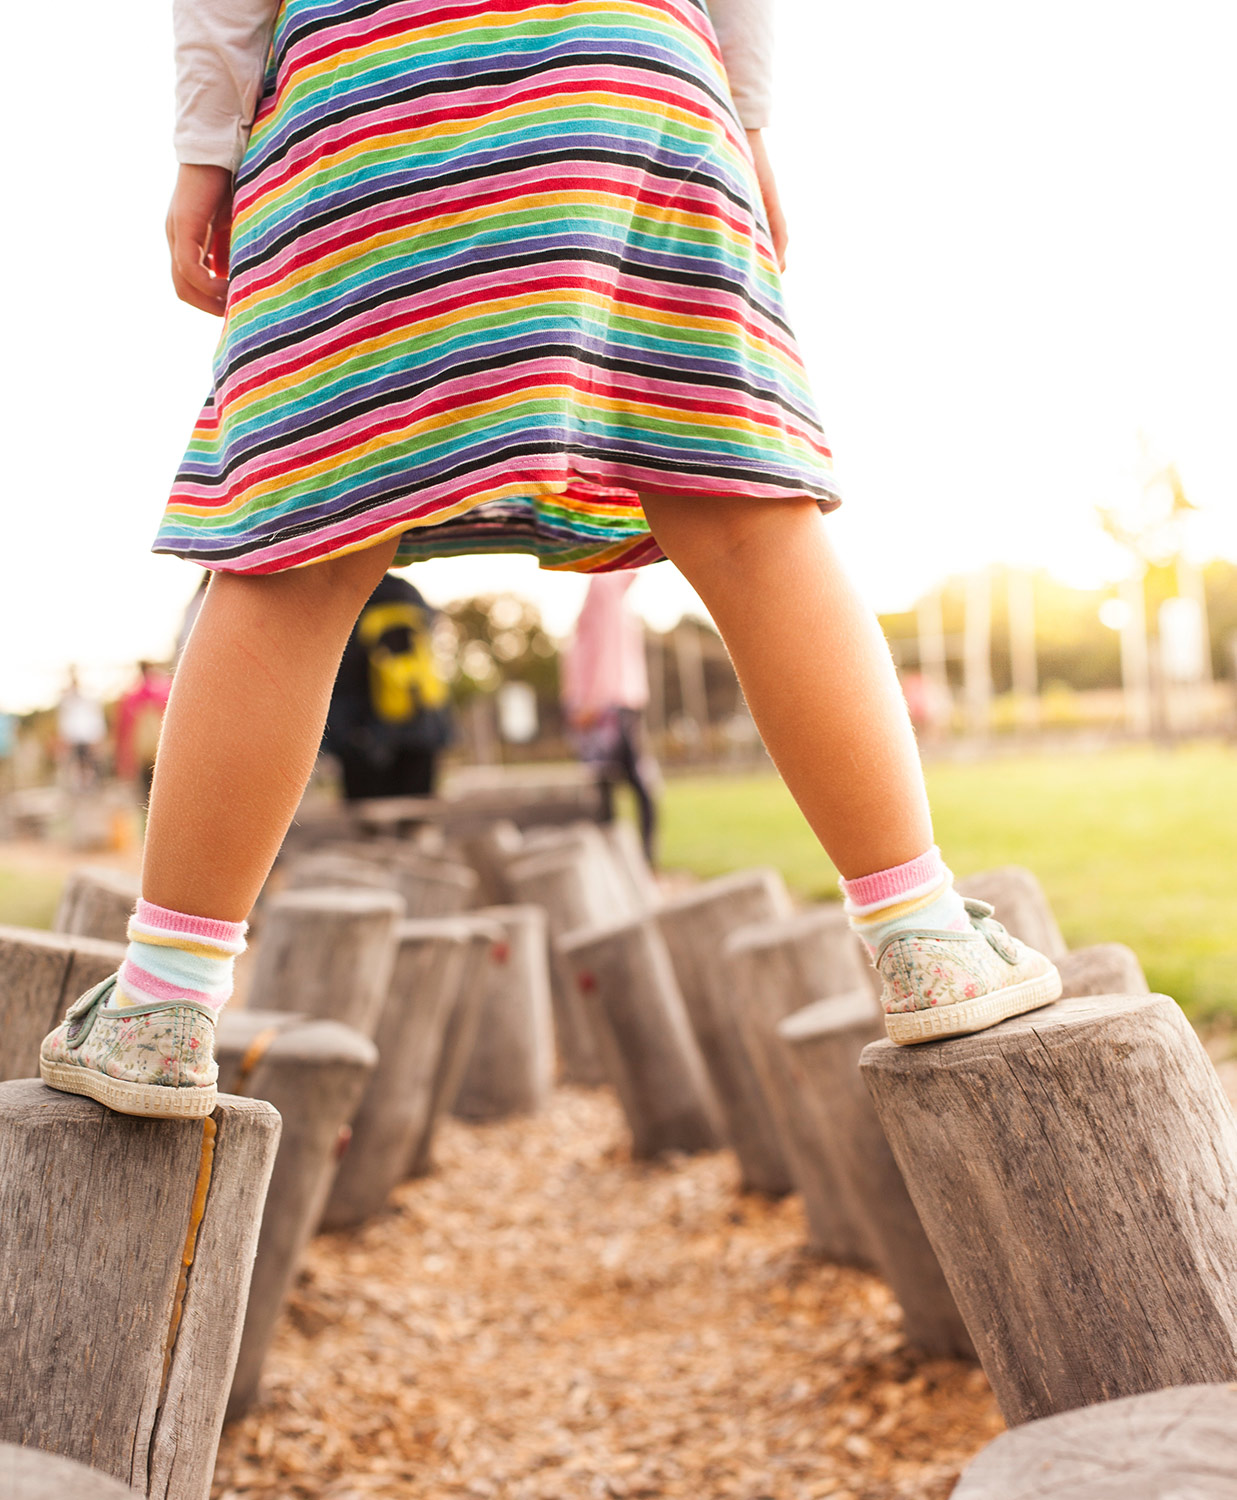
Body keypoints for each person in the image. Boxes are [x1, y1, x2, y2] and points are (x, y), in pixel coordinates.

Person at [40, 0, 1061, 1118]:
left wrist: (206, 151)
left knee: (297, 556)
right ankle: (921, 937)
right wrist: (750, 123)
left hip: (369, 89)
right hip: (628, 70)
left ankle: (161, 1005)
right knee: (746, 521)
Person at [325, 572, 452, 800]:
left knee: (367, 817)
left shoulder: (345, 592)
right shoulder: (410, 594)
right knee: (415, 812)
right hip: (421, 721)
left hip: (360, 729)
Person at [562, 575, 659, 864]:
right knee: (621, 784)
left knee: (625, 783)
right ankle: (633, 859)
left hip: (607, 704)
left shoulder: (603, 586)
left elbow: (605, 648)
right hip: (615, 700)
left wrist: (591, 702)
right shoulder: (612, 592)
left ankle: (638, 859)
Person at [114, 661, 173, 802]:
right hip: (161, 749)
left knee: (147, 795)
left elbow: (123, 730)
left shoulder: (131, 696)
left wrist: (124, 760)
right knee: (164, 792)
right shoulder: (164, 690)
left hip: (142, 753)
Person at [56, 668, 107, 791]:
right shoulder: (66, 701)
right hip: (74, 738)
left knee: (91, 763)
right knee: (75, 765)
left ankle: (93, 786)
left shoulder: (89, 698)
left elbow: (95, 718)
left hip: (87, 737)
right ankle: (78, 788)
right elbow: (64, 721)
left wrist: (97, 737)